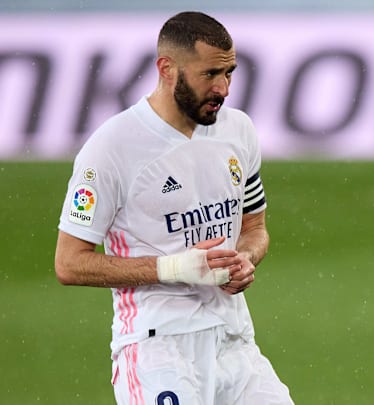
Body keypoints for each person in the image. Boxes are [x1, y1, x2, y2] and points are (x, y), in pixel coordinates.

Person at [54, 11, 294, 405]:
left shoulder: (238, 131)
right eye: (210, 75)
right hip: (157, 348)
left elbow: (255, 227)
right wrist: (175, 269)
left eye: (230, 72)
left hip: (234, 342)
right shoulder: (112, 148)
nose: (224, 88)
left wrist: (246, 258)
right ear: (167, 69)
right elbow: (69, 263)